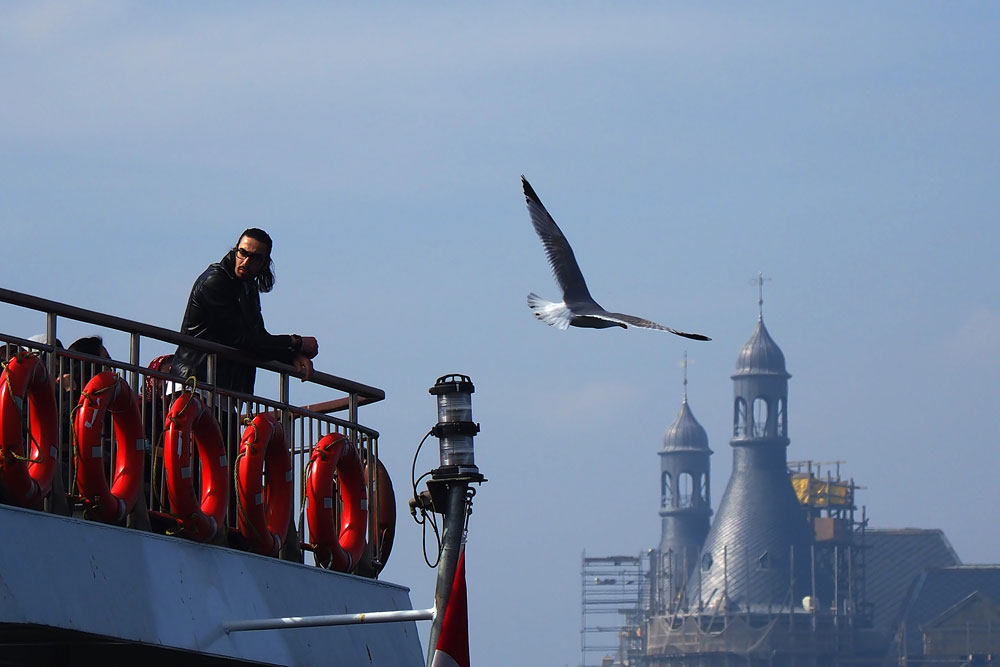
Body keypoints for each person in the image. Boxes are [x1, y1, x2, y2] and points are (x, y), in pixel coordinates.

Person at [171, 228, 318, 393]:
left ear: (265, 263)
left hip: (224, 390)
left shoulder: (248, 286)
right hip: (193, 383)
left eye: (255, 258)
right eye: (243, 253)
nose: (246, 262)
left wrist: (291, 356)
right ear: (235, 250)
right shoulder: (215, 281)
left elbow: (258, 338)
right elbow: (240, 338)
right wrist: (295, 342)